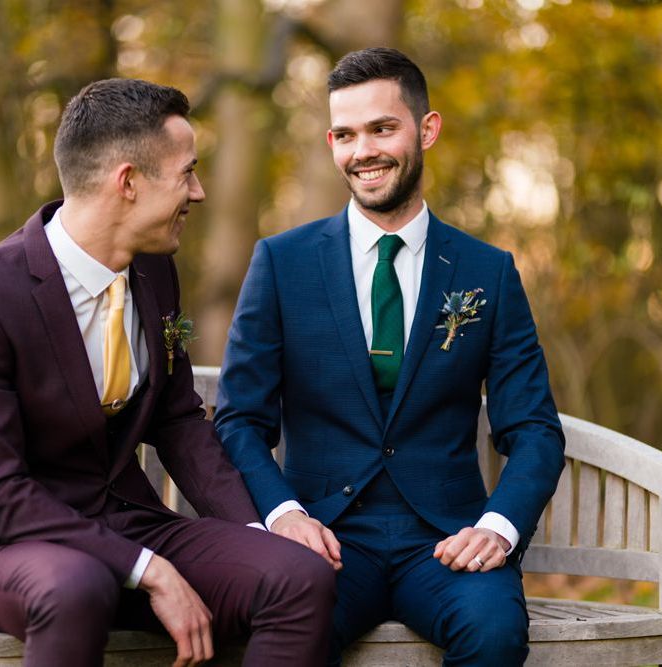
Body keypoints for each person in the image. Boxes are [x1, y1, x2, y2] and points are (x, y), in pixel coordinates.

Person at [0, 78, 335, 667]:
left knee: (296, 575)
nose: (200, 191)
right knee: (76, 587)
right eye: (187, 172)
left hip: (133, 522)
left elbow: (179, 420)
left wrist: (256, 531)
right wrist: (148, 570)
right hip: (14, 544)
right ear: (129, 182)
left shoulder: (155, 274)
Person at [215, 47, 565, 666]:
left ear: (426, 129)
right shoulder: (282, 262)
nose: (363, 151)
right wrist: (283, 514)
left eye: (382, 128)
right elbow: (240, 417)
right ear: (330, 141)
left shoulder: (488, 271)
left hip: (446, 542)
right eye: (345, 135)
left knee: (494, 634)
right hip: (324, 539)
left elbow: (534, 427)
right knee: (283, 638)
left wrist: (499, 528)